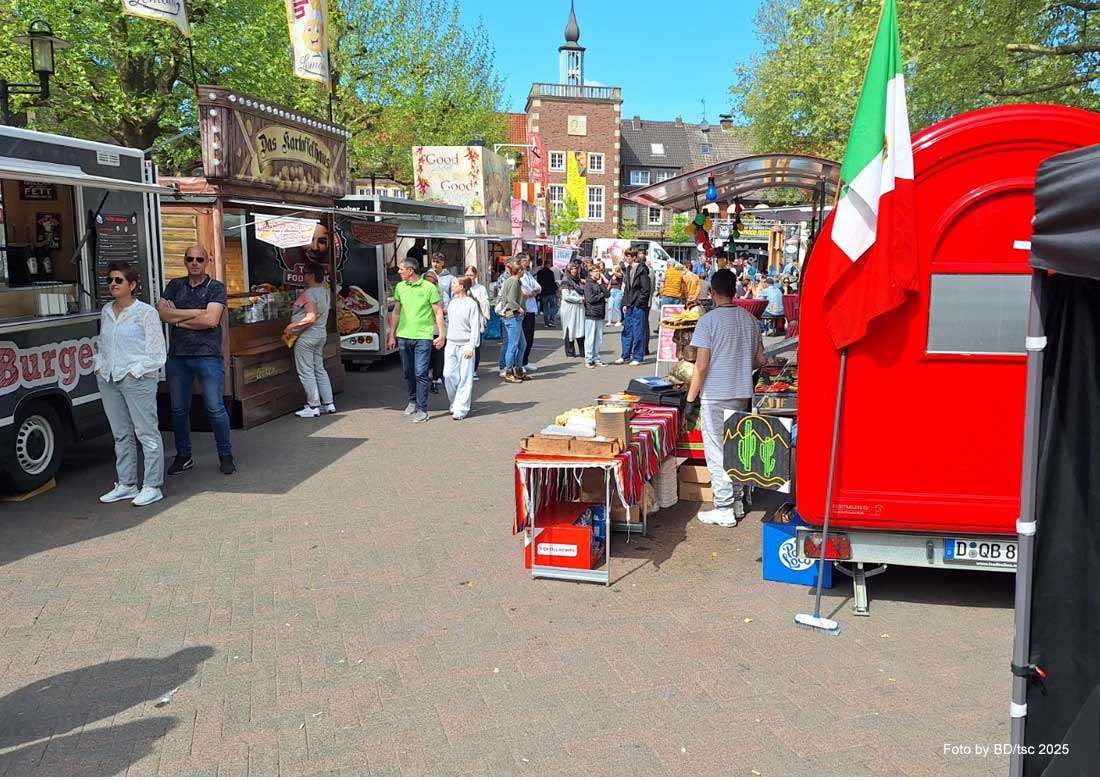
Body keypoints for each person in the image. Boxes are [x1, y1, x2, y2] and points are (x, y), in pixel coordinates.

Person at [683, 268, 765, 527]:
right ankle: (737, 501)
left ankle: (724, 507)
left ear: (713, 292)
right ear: (734, 291)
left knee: (717, 451)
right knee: (735, 448)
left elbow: (701, 365)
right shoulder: (750, 320)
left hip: (716, 394)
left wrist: (690, 399)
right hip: (742, 392)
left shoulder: (707, 321)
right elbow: (759, 360)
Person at [158, 246, 236, 476]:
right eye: (190, 258)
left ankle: (225, 455)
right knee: (178, 410)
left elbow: (212, 320)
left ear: (207, 261)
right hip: (178, 357)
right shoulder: (175, 285)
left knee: (215, 408)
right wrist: (197, 313)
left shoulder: (216, 287)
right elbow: (162, 313)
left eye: (199, 259)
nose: (194, 262)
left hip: (208, 355)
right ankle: (184, 456)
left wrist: (177, 319)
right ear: (184, 261)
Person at [95, 261, 167, 507]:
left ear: (132, 284)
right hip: (109, 378)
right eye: (110, 280)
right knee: (120, 434)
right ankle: (126, 484)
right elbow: (104, 344)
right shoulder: (106, 310)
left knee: (146, 432)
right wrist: (100, 365)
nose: (113, 284)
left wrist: (134, 372)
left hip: (137, 378)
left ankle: (152, 485)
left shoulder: (145, 312)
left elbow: (157, 353)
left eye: (119, 280)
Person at [387, 258, 444, 423]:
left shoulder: (429, 288)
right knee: (408, 371)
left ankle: (422, 408)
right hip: (404, 335)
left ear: (410, 271)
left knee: (421, 372)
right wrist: (392, 334)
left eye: (401, 269)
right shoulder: (400, 287)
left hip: (423, 336)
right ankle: (412, 400)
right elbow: (396, 311)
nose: (399, 271)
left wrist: (441, 334)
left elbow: (438, 312)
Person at [284, 261, 334, 418]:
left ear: (311, 275)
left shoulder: (310, 293)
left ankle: (313, 406)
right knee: (319, 368)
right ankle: (329, 403)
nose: (303, 276)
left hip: (307, 336)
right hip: (321, 334)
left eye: (305, 273)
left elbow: (310, 317)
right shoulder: (325, 291)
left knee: (306, 371)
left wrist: (292, 326)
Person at [443, 277, 481, 419]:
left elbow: (475, 327)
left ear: (462, 286)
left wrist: (471, 346)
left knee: (465, 376)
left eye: (454, 284)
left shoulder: (471, 304)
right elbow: (449, 322)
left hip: (466, 344)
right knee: (448, 375)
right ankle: (454, 402)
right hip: (451, 342)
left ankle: (461, 408)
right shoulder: (452, 303)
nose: (452, 286)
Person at [614, 248, 650, 366]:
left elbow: (645, 289)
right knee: (627, 330)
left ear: (634, 258)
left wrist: (639, 302)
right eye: (625, 256)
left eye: (628, 256)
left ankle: (637, 357)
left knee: (638, 331)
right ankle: (625, 355)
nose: (626, 258)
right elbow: (626, 289)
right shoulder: (628, 269)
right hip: (629, 305)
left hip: (638, 305)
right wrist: (625, 303)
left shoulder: (641, 270)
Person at [498, 260, 527, 383]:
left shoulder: (514, 280)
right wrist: (519, 308)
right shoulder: (513, 281)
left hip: (514, 317)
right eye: (523, 270)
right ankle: (509, 371)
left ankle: (518, 369)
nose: (524, 271)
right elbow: (511, 300)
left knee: (522, 345)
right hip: (512, 316)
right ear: (519, 271)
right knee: (512, 346)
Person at [422, 270, 446, 395]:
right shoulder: (436, 291)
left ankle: (435, 379)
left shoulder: (437, 292)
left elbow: (440, 310)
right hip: (429, 329)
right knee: (433, 356)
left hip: (433, 328)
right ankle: (432, 379)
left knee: (436, 356)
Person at [464, 265, 490, 380]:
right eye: (467, 275)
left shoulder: (481, 288)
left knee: (475, 345)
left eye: (471, 275)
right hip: (464, 321)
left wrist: (477, 300)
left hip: (477, 319)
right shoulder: (462, 286)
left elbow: (486, 303)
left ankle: (474, 369)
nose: (469, 277)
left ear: (475, 276)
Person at [518, 253, 541, 372]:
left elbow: (538, 287)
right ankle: (519, 363)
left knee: (529, 337)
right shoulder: (517, 276)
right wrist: (531, 292)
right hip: (522, 309)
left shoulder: (528, 274)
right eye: (526, 260)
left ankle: (525, 361)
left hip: (531, 308)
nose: (528, 262)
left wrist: (533, 292)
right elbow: (524, 292)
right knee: (522, 338)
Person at [582, 265, 609, 368]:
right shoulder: (588, 285)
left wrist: (601, 285)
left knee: (598, 339)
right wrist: (601, 295)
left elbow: (608, 294)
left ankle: (596, 358)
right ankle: (589, 359)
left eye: (599, 271)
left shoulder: (598, 284)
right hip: (591, 314)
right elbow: (591, 299)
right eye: (596, 271)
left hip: (600, 314)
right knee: (590, 338)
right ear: (591, 272)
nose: (598, 273)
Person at [558, 261, 585, 358]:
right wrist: (580, 299)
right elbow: (566, 296)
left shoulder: (578, 280)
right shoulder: (565, 281)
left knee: (581, 328)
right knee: (569, 328)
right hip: (569, 308)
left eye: (575, 268)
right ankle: (570, 352)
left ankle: (583, 351)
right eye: (572, 269)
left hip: (579, 308)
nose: (574, 270)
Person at [535, 258, 559, 327]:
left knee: (545, 308)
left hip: (543, 292)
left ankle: (546, 322)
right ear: (548, 265)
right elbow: (552, 282)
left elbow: (538, 282)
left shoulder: (540, 272)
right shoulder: (551, 272)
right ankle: (551, 321)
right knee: (552, 306)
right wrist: (556, 289)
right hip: (551, 291)